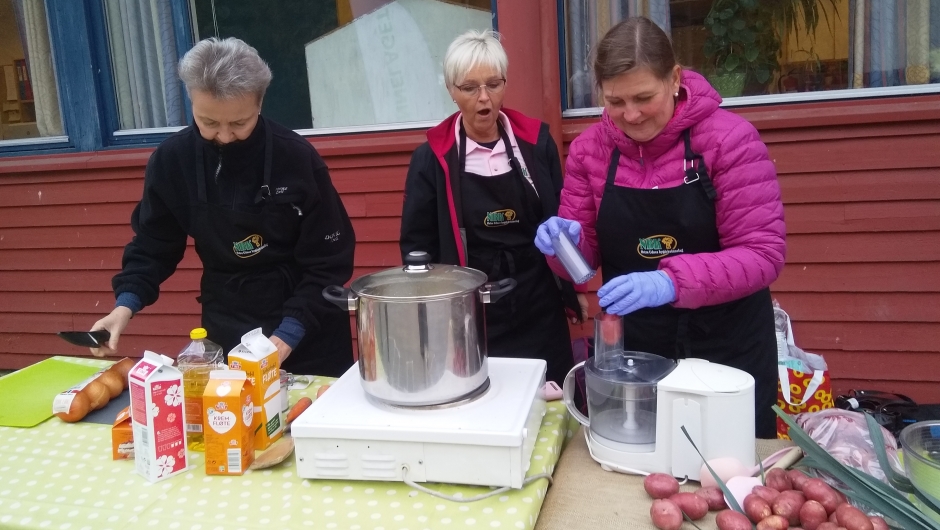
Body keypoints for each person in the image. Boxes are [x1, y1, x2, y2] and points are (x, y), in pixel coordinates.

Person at [535, 18, 785, 438]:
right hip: (636, 348)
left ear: (674, 79)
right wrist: (561, 247)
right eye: (615, 101)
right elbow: (582, 263)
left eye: (643, 97)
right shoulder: (588, 152)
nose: (630, 114)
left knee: (725, 475)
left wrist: (670, 282)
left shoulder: (729, 141)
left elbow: (763, 254)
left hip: (728, 344)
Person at [89, 37, 356, 377]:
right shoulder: (173, 162)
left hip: (308, 332)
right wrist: (124, 305)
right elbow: (153, 246)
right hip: (228, 324)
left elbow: (328, 263)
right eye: (210, 123)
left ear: (259, 104)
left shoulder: (297, 159)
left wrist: (289, 334)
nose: (225, 136)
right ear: (191, 102)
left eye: (239, 123)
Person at [399, 30, 585, 386]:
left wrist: (572, 288)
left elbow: (560, 221)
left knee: (552, 401)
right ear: (451, 91)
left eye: (493, 84)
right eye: (469, 88)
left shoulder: (536, 142)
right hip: (471, 312)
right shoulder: (432, 159)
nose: (484, 98)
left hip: (538, 303)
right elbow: (417, 247)